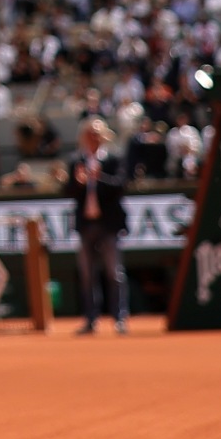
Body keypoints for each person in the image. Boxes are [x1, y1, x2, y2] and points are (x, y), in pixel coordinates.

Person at [64, 116, 130, 333]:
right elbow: (68, 192)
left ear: (103, 136)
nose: (93, 137)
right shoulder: (76, 161)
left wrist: (98, 177)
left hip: (108, 225)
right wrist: (78, 182)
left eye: (96, 133)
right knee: (86, 274)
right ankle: (90, 320)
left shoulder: (114, 158)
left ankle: (120, 318)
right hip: (86, 225)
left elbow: (120, 185)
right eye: (89, 133)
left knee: (114, 272)